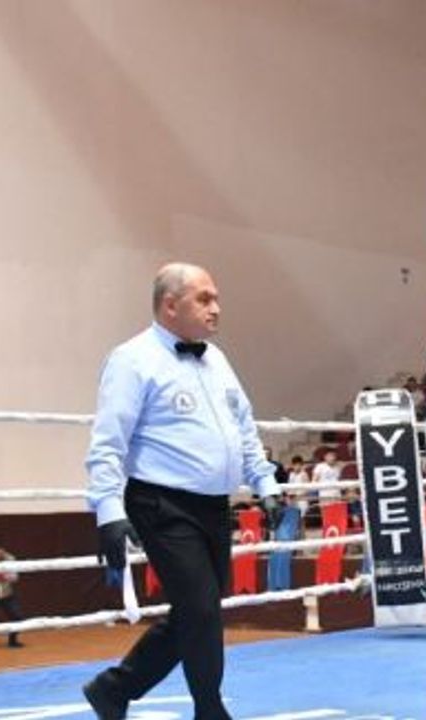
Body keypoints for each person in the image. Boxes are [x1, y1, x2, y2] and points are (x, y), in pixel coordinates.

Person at [83, 262, 283, 720]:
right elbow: (108, 442)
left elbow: (243, 425)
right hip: (161, 503)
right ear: (170, 306)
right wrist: (108, 511)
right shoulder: (132, 360)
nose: (216, 309)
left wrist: (265, 482)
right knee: (201, 609)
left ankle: (114, 689)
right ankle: (209, 709)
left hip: (213, 505)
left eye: (216, 298)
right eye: (204, 299)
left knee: (198, 610)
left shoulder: (216, 359)